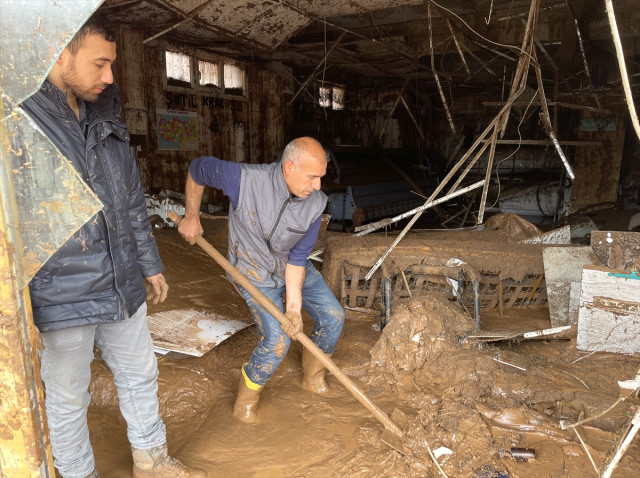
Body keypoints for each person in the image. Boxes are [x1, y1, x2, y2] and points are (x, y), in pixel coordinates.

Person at [20, 14, 206, 478]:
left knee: (140, 375)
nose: (109, 77)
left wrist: (149, 263)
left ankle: (152, 460)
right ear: (60, 53)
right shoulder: (20, 120)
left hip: (122, 280)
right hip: (59, 290)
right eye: (99, 64)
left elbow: (127, 199)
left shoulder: (106, 111)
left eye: (112, 65)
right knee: (67, 398)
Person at [178, 137, 345, 423]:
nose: (318, 186)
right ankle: (245, 404)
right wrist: (191, 216)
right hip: (253, 271)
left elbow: (297, 259)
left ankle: (313, 379)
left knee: (333, 316)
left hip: (289, 266)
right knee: (277, 340)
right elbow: (197, 169)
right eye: (313, 177)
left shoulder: (315, 204)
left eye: (322, 178)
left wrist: (293, 310)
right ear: (289, 167)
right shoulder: (245, 180)